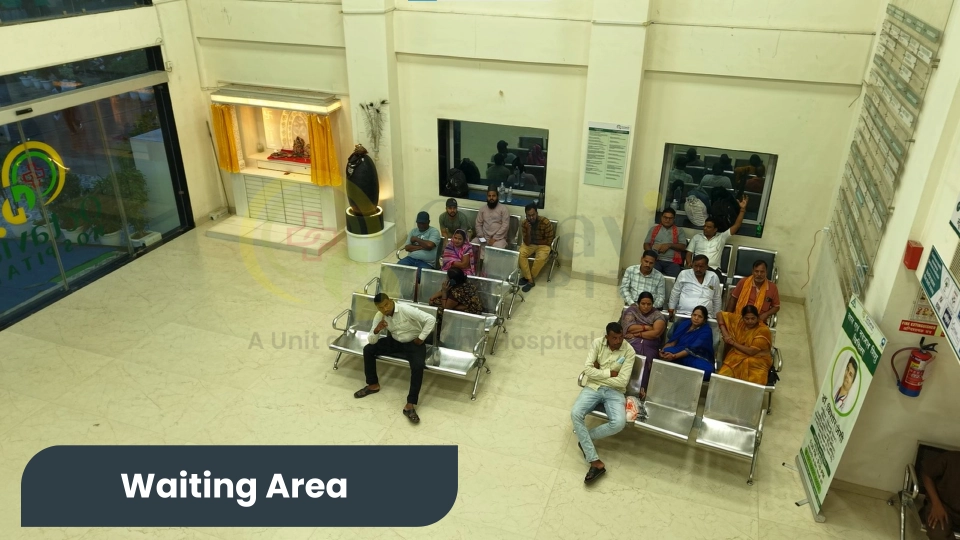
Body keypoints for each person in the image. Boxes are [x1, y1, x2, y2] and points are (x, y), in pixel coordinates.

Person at [354, 293, 436, 424]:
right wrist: (376, 331)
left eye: (386, 305)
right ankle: (373, 385)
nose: (385, 309)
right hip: (395, 341)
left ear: (391, 301)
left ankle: (410, 405)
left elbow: (430, 319)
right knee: (368, 349)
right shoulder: (379, 316)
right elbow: (372, 341)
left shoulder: (405, 309)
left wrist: (421, 338)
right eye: (380, 307)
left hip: (413, 343)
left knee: (418, 366)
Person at [570, 322, 636, 484]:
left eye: (621, 337)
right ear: (607, 337)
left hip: (615, 391)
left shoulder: (629, 351)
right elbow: (587, 370)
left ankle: (585, 440)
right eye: (614, 338)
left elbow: (622, 381)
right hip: (593, 387)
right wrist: (609, 373)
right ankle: (595, 462)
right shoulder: (597, 344)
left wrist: (598, 372)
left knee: (619, 423)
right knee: (575, 413)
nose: (618, 341)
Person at [621, 291, 667, 398]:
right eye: (643, 303)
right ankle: (622, 386)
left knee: (646, 360)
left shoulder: (658, 315)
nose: (646, 306)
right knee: (628, 357)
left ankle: (641, 389)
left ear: (653, 304)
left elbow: (656, 333)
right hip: (631, 342)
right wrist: (646, 327)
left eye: (649, 304)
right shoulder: (631, 311)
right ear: (638, 303)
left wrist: (638, 334)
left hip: (650, 345)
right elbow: (629, 328)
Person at [685, 197, 748, 274]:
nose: (705, 228)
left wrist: (742, 210)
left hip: (713, 270)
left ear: (715, 229)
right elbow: (689, 253)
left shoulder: (721, 237)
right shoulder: (696, 237)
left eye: (709, 227)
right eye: (704, 226)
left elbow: (737, 226)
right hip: (697, 268)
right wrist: (689, 263)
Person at [717, 305, 773, 385]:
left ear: (758, 318)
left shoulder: (763, 330)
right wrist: (724, 331)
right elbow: (719, 314)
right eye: (747, 318)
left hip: (757, 363)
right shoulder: (739, 321)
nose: (750, 321)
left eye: (753, 318)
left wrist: (732, 342)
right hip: (736, 358)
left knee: (754, 386)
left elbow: (751, 352)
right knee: (720, 379)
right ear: (742, 318)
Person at [661, 305, 716, 380]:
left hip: (696, 356)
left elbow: (692, 349)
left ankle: (677, 364)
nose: (696, 318)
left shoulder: (706, 331)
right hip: (680, 350)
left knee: (708, 371)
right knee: (667, 351)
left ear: (704, 320)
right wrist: (662, 351)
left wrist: (674, 356)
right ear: (691, 315)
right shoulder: (684, 324)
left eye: (700, 316)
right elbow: (672, 342)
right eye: (694, 315)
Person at [726, 259, 780, 325]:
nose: (759, 274)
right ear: (752, 272)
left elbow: (776, 307)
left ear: (766, 272)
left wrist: (766, 314)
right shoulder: (743, 282)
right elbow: (733, 299)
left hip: (760, 321)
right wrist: (727, 317)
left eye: (762, 272)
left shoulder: (772, 287)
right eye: (756, 271)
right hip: (740, 318)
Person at [921, 450, 960, 540]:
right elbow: (926, 474)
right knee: (938, 534)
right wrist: (936, 504)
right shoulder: (951, 458)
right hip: (942, 505)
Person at [518, 204, 554, 292]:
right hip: (530, 244)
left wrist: (536, 242)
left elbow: (549, 241)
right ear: (526, 215)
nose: (531, 217)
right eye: (529, 215)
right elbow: (527, 242)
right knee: (521, 254)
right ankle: (530, 280)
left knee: (541, 258)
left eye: (533, 215)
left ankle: (528, 277)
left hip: (543, 244)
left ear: (537, 213)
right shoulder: (525, 223)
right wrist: (528, 231)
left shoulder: (545, 222)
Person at [644, 208, 687, 277]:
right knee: (650, 276)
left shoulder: (679, 230)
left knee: (675, 278)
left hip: (672, 262)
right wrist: (651, 255)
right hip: (656, 260)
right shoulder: (653, 229)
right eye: (665, 217)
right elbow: (646, 244)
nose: (667, 220)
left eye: (670, 218)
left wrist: (669, 245)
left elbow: (683, 247)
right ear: (661, 217)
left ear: (674, 219)